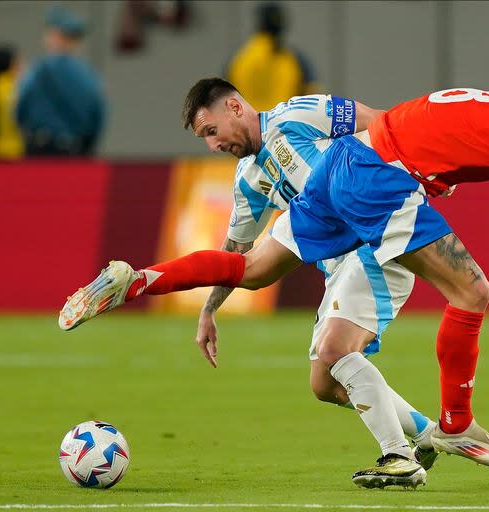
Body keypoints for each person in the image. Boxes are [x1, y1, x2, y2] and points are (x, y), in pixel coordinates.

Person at [60, 86, 489, 480]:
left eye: (211, 133)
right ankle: (452, 430)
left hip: (341, 169)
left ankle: (139, 278)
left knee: (299, 338)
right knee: (474, 292)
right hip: (377, 181)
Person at [62, 79, 434, 489]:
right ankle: (430, 435)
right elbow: (236, 251)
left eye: (211, 131)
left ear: (236, 108)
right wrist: (210, 308)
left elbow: (382, 122)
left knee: (332, 351)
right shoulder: (248, 178)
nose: (212, 145)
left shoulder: (300, 114)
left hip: (376, 240)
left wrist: (427, 170)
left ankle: (400, 456)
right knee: (324, 384)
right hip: (340, 264)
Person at [16, 6, 107, 156]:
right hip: (77, 149)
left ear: (52, 35)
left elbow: (20, 111)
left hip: (41, 149)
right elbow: (98, 115)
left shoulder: (36, 72)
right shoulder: (89, 75)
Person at [226, 3, 318, 112]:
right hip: (282, 125)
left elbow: (223, 99)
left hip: (247, 124)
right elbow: (313, 100)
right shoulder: (295, 60)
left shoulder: (238, 59)